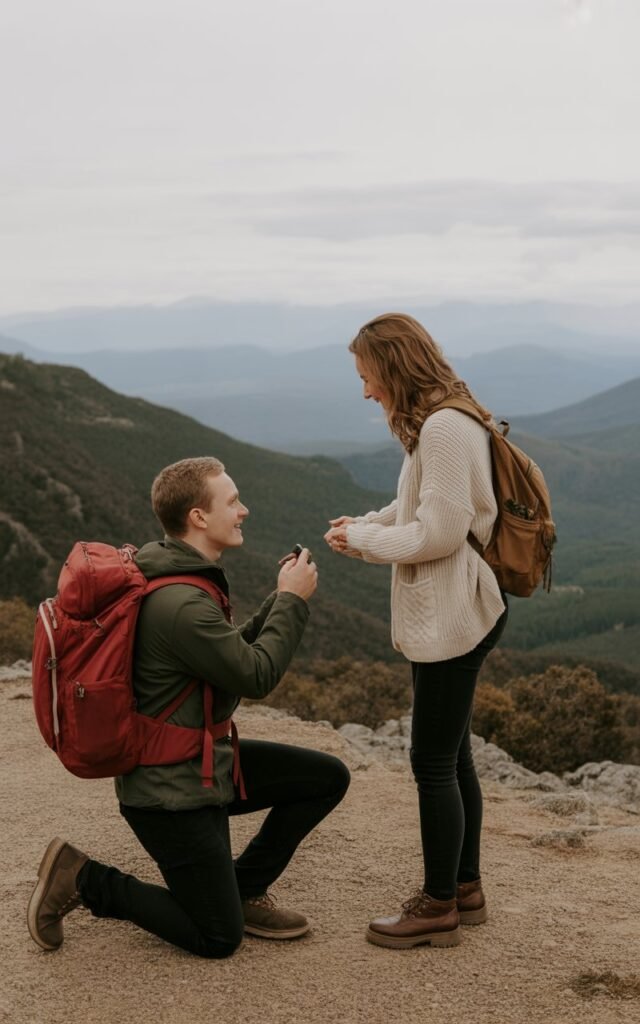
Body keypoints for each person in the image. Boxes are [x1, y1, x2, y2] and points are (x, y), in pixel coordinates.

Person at [28, 456, 350, 959]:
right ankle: (83, 877)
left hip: (202, 765)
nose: (243, 510)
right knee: (218, 937)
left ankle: (239, 889)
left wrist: (274, 601)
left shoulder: (181, 576)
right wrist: (293, 602)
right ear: (198, 518)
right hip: (169, 794)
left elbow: (225, 661)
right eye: (232, 501)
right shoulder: (181, 603)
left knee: (325, 777)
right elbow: (255, 675)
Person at [324, 313, 507, 950]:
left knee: (431, 760)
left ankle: (437, 907)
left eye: (368, 375)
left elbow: (441, 534)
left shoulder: (445, 428)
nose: (367, 391)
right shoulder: (443, 421)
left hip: (456, 613)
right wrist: (365, 523)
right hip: (454, 609)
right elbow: (424, 509)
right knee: (452, 755)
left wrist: (367, 542)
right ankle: (465, 888)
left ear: (393, 366)